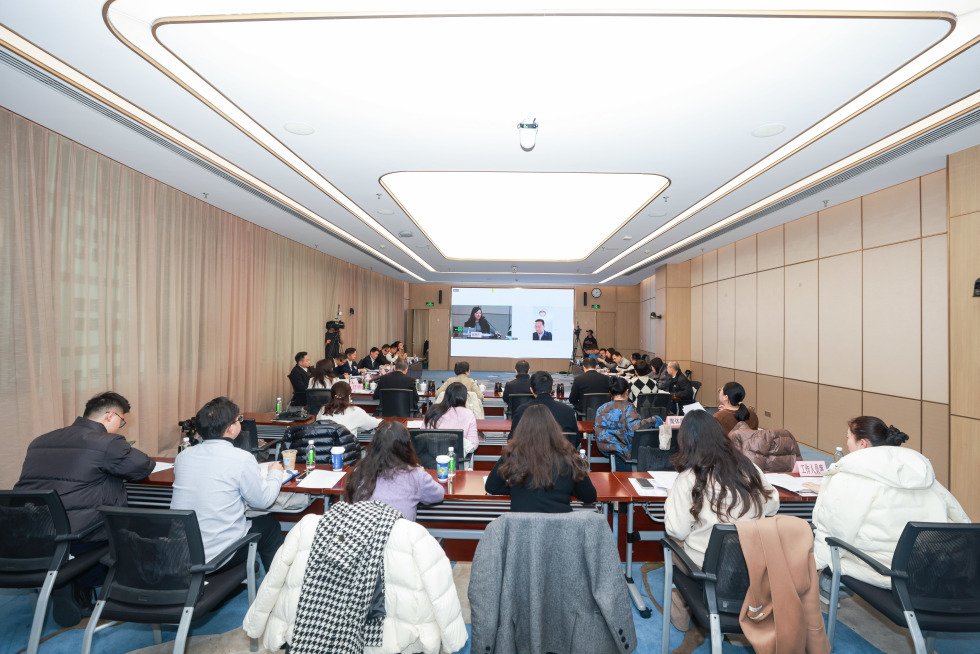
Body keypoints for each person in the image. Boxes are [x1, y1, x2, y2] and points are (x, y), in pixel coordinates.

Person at [15, 391, 155, 626]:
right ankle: (81, 583)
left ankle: (67, 582)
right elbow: (143, 466)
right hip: (81, 538)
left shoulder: (40, 440)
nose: (120, 427)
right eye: (121, 421)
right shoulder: (107, 443)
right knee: (136, 533)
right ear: (111, 416)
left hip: (33, 535)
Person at [810, 416, 969, 590]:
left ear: (862, 443)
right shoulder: (920, 473)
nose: (847, 443)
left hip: (885, 568)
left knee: (831, 549)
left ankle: (830, 586)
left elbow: (836, 527)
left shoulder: (851, 477)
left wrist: (818, 562)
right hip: (930, 564)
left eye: (848, 437)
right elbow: (959, 516)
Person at [665, 410, 779, 651]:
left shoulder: (689, 477)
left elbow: (677, 529)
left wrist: (670, 500)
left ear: (685, 442)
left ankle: (681, 617)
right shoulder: (749, 467)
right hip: (752, 562)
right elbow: (772, 505)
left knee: (672, 546)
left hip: (706, 567)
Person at [171, 397, 285, 573]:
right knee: (269, 526)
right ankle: (275, 585)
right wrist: (275, 473)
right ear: (230, 428)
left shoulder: (182, 457)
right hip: (216, 557)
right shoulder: (241, 458)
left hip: (181, 554)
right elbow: (263, 501)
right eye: (238, 420)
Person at [486, 405, 596, 511]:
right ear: (554, 428)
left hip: (521, 523)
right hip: (559, 523)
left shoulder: (512, 454)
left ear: (522, 429)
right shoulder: (569, 456)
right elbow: (589, 496)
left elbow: (491, 487)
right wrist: (566, 488)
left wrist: (516, 489)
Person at [343, 422, 445, 521]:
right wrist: (422, 473)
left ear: (375, 445)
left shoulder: (359, 470)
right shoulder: (416, 474)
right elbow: (439, 495)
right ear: (407, 446)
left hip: (365, 531)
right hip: (399, 532)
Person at [594, 376, 664, 471]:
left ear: (611, 392)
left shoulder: (601, 408)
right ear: (627, 391)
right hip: (627, 458)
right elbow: (634, 430)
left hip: (613, 455)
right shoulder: (628, 407)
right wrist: (655, 420)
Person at [510, 371, 578, 437]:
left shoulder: (521, 411)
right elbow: (576, 440)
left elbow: (512, 438)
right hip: (560, 445)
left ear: (531, 390)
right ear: (552, 388)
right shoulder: (568, 411)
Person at [424, 382, 479, 456]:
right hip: (455, 460)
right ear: (465, 398)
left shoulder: (433, 410)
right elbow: (473, 445)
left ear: (446, 396)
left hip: (431, 458)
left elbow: (422, 437)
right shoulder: (468, 414)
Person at [316, 381, 383, 433]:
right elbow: (372, 424)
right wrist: (381, 420)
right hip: (349, 446)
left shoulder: (323, 409)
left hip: (326, 446)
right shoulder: (355, 411)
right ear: (349, 396)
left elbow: (318, 423)